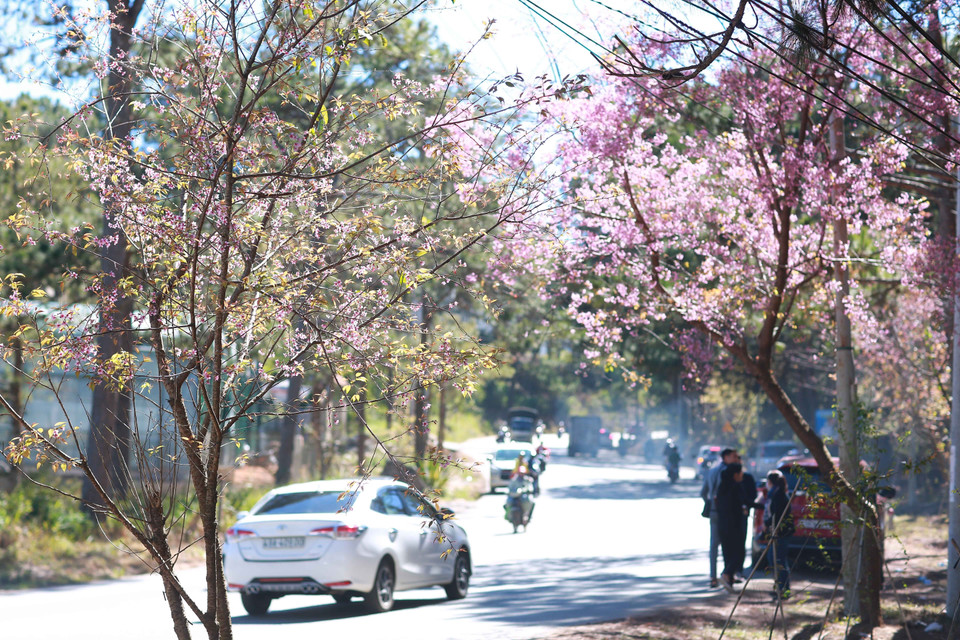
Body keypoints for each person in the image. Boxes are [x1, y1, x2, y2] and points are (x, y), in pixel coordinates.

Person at [701, 447, 738, 587]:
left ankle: (713, 576)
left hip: (714, 512)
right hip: (725, 513)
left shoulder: (711, 471)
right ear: (726, 457)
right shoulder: (728, 472)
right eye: (733, 456)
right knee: (729, 545)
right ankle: (727, 575)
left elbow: (703, 493)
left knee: (714, 545)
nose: (735, 459)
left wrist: (710, 503)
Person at [716, 462, 744, 591]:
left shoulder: (722, 487)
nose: (742, 475)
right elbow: (741, 503)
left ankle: (729, 581)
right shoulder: (735, 487)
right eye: (740, 473)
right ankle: (726, 574)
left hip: (722, 525)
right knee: (738, 553)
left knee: (727, 553)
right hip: (733, 525)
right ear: (735, 474)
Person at [764, 469, 791, 600]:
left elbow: (777, 514)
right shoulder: (774, 494)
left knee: (776, 560)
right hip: (776, 531)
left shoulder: (778, 495)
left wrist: (767, 522)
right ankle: (782, 588)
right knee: (778, 560)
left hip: (781, 532)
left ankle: (783, 589)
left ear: (770, 482)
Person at [736, 455, 758, 580]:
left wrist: (747, 505)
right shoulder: (728, 477)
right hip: (729, 517)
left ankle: (739, 569)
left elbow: (753, 495)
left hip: (743, 515)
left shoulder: (748, 478)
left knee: (741, 543)